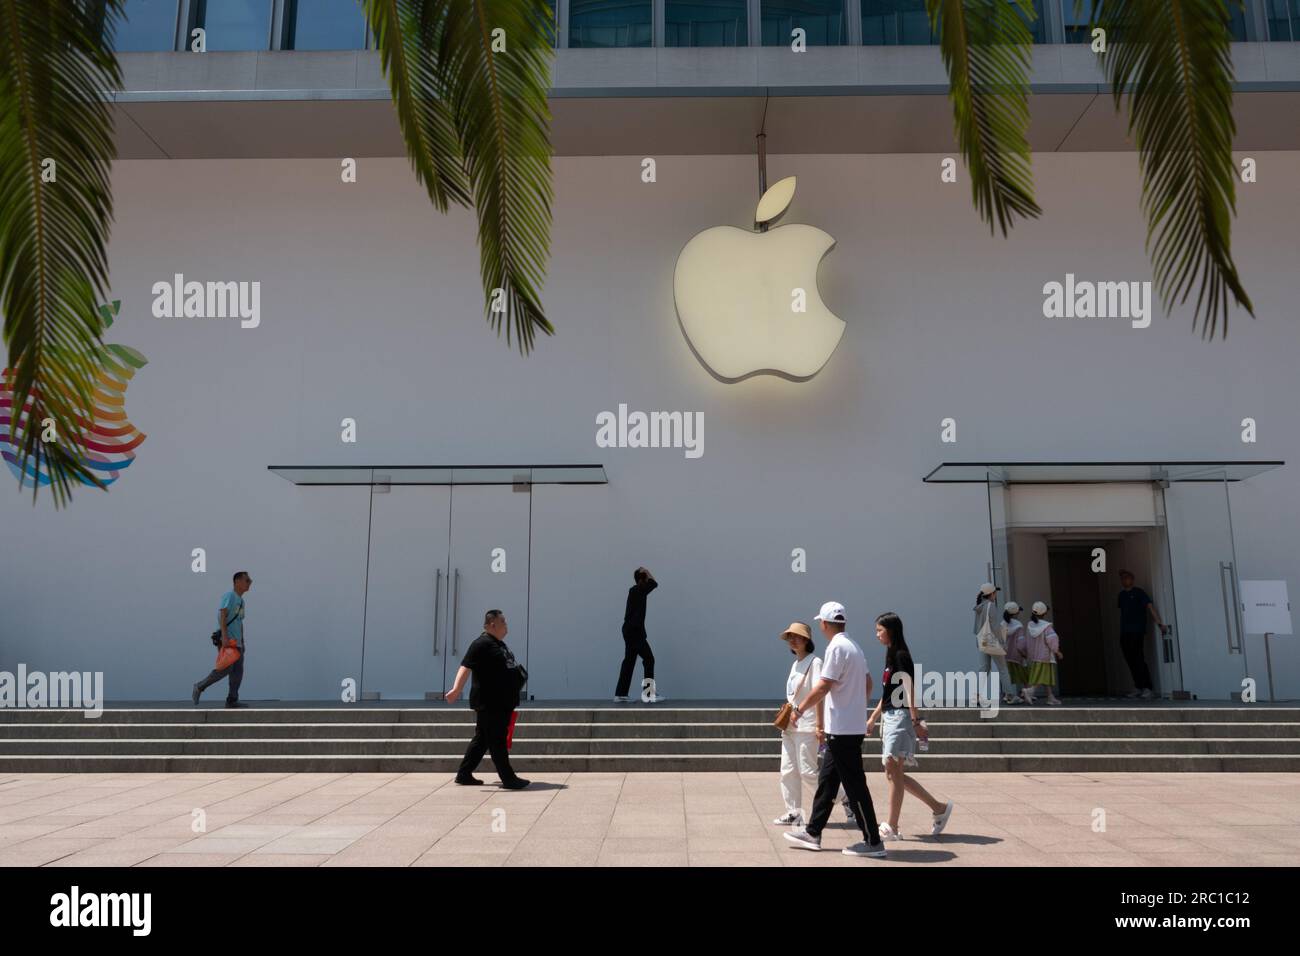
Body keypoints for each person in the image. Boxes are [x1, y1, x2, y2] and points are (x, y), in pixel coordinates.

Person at [783, 601, 887, 858]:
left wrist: (799, 710)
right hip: (843, 728)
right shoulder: (854, 647)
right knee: (827, 782)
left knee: (855, 786)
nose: (820, 626)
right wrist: (854, 705)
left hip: (842, 730)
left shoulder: (837, 648)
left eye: (821, 622)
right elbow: (868, 683)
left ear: (826, 624)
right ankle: (813, 832)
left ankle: (873, 841)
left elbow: (823, 686)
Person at [867, 612, 953, 840]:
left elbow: (909, 690)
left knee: (894, 772)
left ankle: (892, 827)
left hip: (901, 717)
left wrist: (916, 721)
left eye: (879, 630)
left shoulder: (901, 656)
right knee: (892, 773)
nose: (876, 635)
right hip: (890, 716)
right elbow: (888, 694)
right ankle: (939, 808)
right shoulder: (891, 655)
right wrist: (874, 716)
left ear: (891, 630)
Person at [773, 623, 854, 827]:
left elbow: (820, 694)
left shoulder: (815, 662)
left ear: (807, 640)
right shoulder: (796, 664)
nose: (793, 640)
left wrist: (819, 726)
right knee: (788, 770)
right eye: (790, 637)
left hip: (807, 725)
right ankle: (793, 812)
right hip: (791, 725)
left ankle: (845, 797)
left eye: (797, 637)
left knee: (808, 772)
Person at [446, 609, 530, 790]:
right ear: (492, 624)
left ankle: (464, 774)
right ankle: (508, 778)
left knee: (482, 739)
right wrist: (456, 689)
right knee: (497, 740)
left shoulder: (498, 644)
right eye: (504, 622)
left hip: (501, 702)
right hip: (490, 703)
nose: (506, 626)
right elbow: (465, 666)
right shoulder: (481, 644)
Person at [192, 571, 252, 708]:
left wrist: (243, 641)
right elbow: (223, 614)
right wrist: (224, 637)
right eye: (247, 580)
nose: (250, 583)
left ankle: (232, 700)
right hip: (228, 640)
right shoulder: (229, 596)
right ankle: (199, 686)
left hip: (237, 642)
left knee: (237, 671)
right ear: (237, 582)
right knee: (225, 669)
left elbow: (239, 621)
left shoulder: (242, 601)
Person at [615, 566, 665, 702]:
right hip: (635, 632)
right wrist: (647, 571)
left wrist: (644, 574)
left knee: (629, 662)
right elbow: (654, 583)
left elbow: (652, 584)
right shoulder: (639, 590)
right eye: (645, 579)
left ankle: (620, 694)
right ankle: (648, 694)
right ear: (642, 581)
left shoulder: (635, 591)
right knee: (649, 659)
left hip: (629, 630)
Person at [1117, 570, 1168, 699]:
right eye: (1122, 578)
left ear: (1132, 580)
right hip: (1125, 632)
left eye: (1127, 578)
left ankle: (1147, 687)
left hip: (1137, 630)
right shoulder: (1121, 595)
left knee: (1138, 658)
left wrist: (1159, 623)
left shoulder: (1139, 593)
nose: (1125, 580)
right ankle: (1138, 686)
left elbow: (1150, 607)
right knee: (1130, 660)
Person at [975, 582, 1016, 706]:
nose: (996, 594)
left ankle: (977, 696)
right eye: (995, 592)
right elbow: (995, 627)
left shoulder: (979, 606)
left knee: (984, 669)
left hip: (982, 641)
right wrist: (1002, 642)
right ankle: (1010, 696)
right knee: (1003, 668)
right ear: (991, 594)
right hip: (992, 641)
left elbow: (977, 627)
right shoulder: (991, 606)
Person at [1021, 601, 1063, 706]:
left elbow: (1027, 640)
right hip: (1045, 656)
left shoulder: (1030, 625)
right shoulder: (1046, 626)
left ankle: (1050, 697)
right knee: (1043, 676)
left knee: (1045, 677)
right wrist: (1057, 651)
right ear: (1044, 613)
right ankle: (1030, 691)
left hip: (1034, 656)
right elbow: (1052, 640)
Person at [1002, 602, 1027, 694]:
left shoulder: (1002, 625)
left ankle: (1007, 695)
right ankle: (1027, 693)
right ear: (1016, 613)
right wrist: (1024, 653)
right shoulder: (1018, 625)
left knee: (1007, 676)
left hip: (1005, 655)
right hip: (1018, 655)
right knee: (1024, 676)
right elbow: (1021, 644)